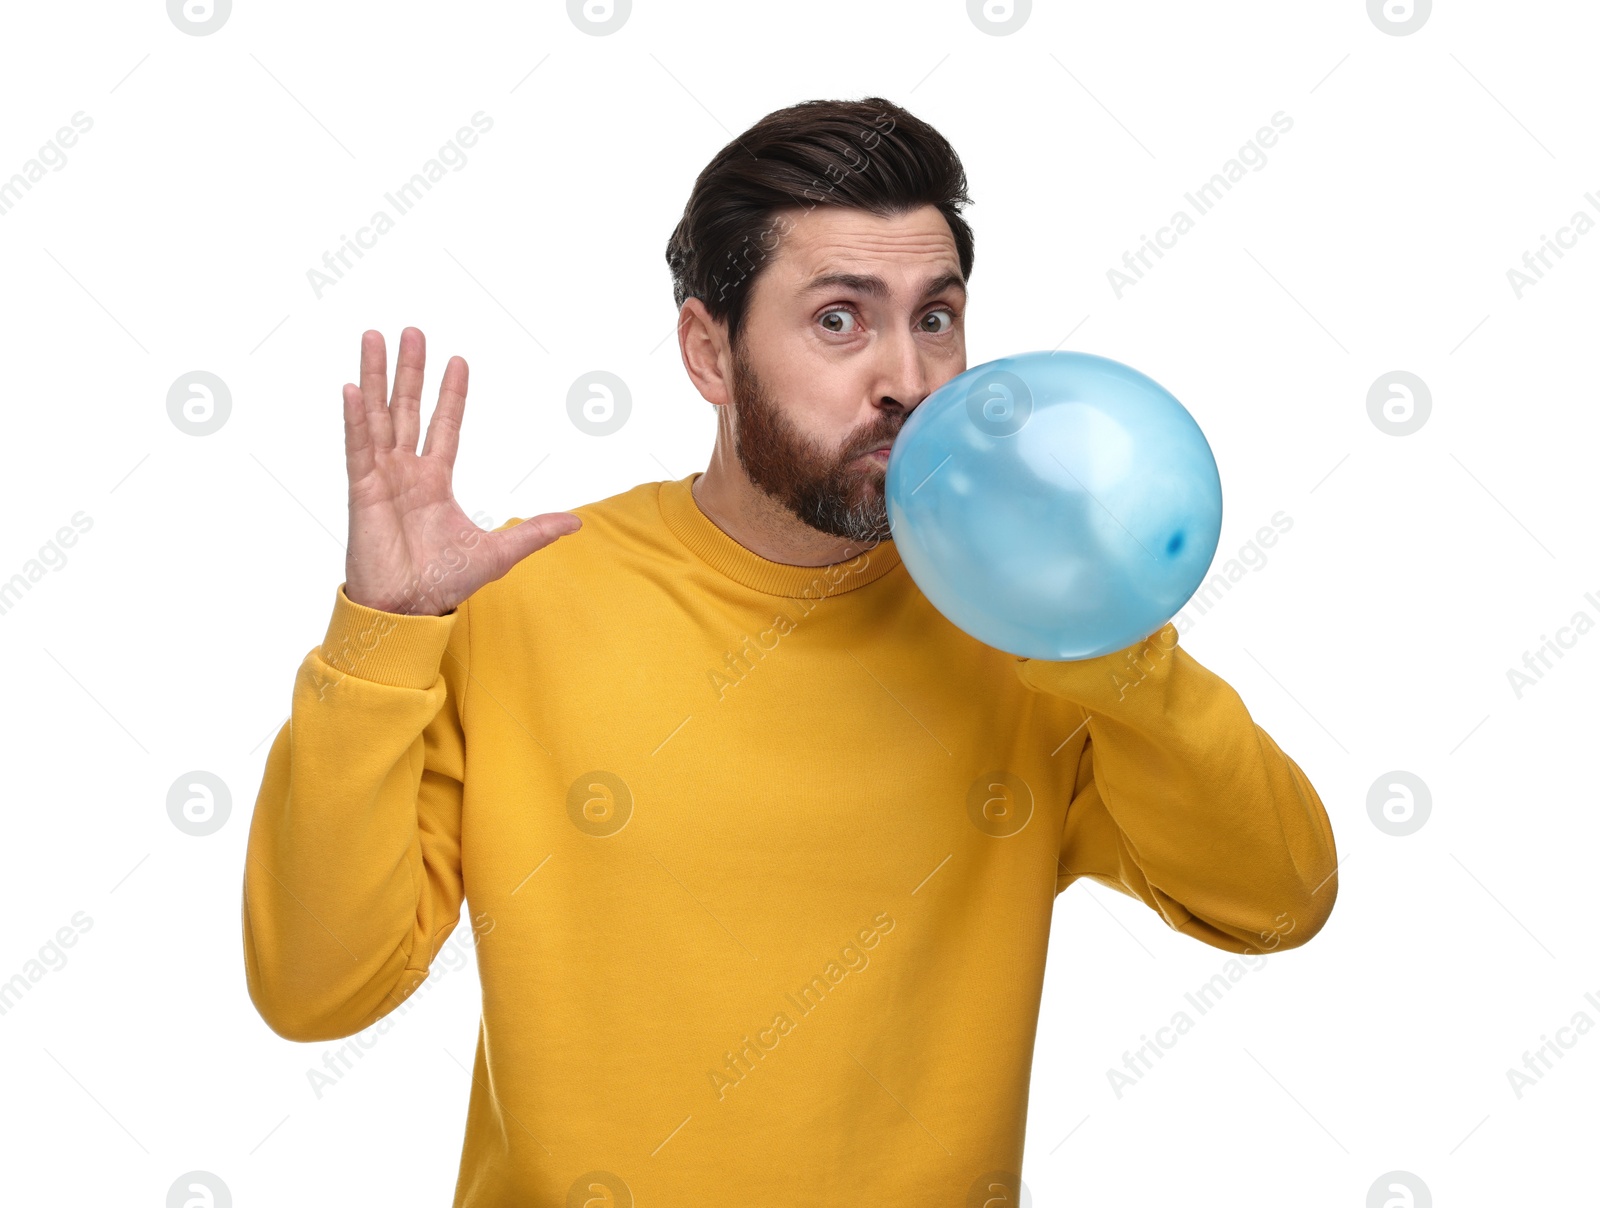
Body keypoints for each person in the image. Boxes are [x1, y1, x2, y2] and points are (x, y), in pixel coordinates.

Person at [242, 95, 1338, 1207]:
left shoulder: (1029, 631)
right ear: (707, 351)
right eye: (837, 320)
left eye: (936, 317)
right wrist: (383, 634)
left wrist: (1110, 640)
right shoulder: (518, 600)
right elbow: (315, 989)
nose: (906, 379)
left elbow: (1276, 900)